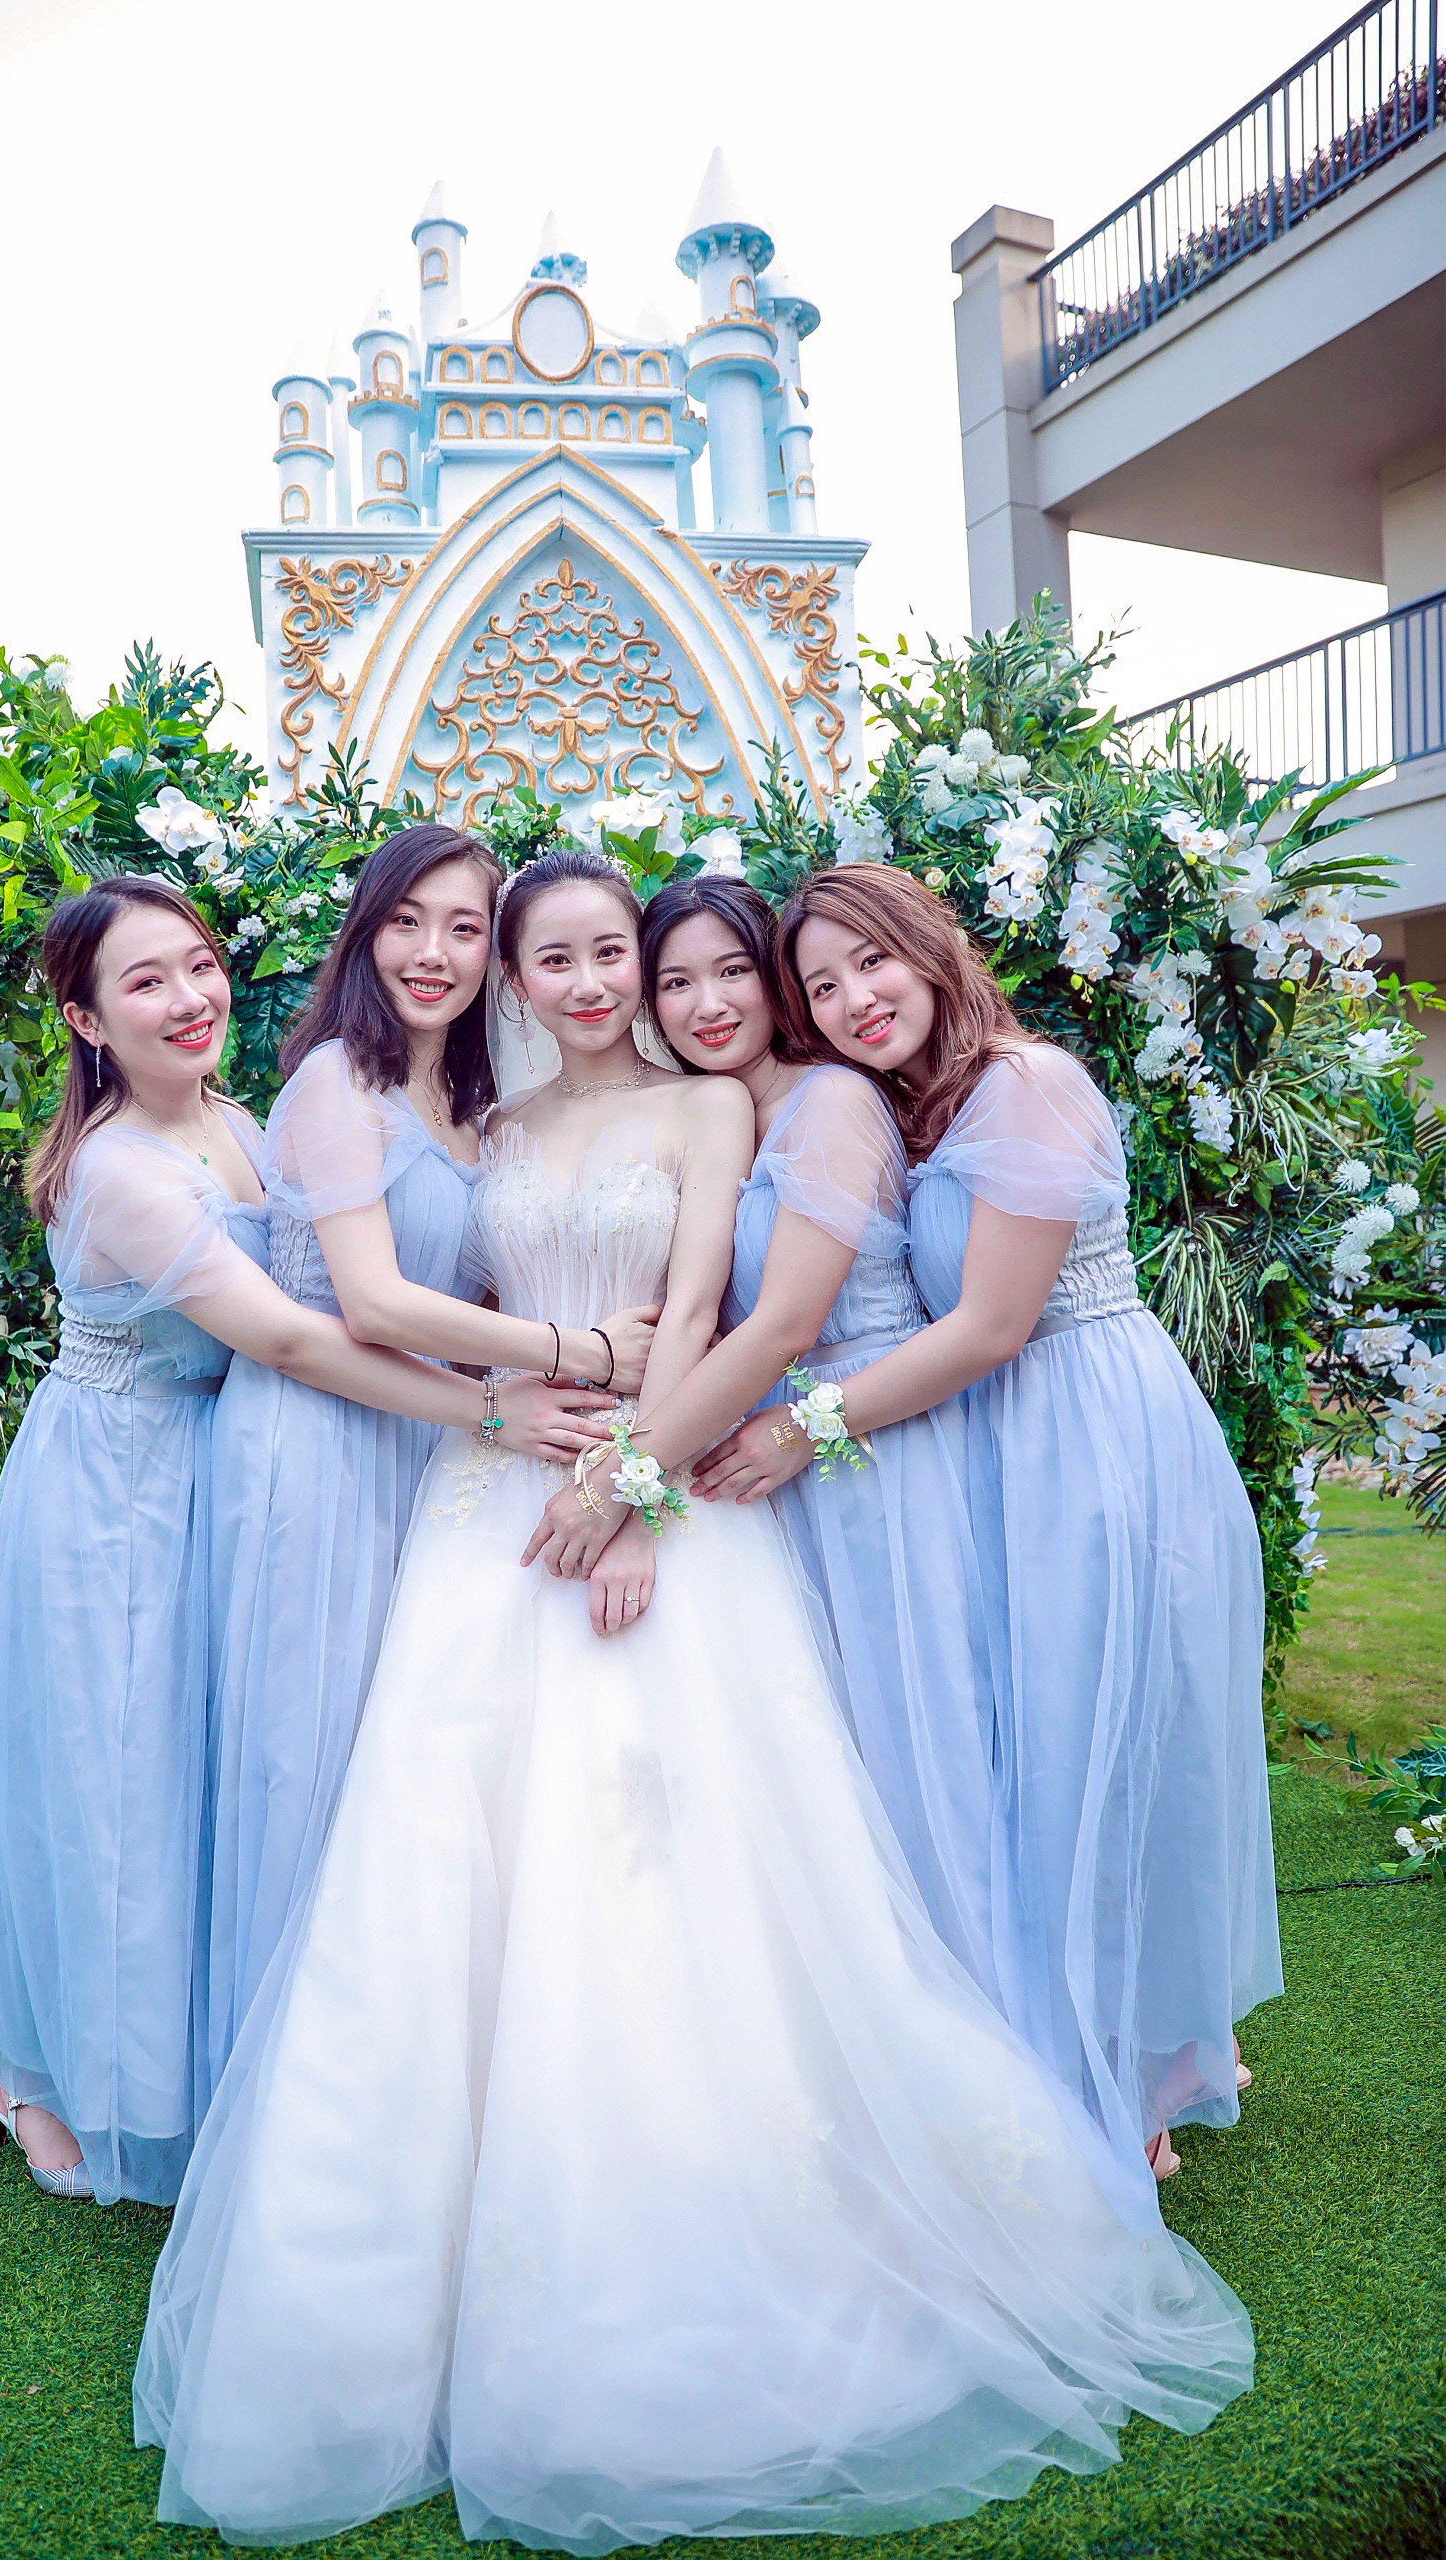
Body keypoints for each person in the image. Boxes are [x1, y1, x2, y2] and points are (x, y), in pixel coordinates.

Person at [133, 848, 1252, 2551]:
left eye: (619, 955)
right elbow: (467, 1309)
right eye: (560, 959)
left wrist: (638, 1499)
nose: (596, 985)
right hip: (487, 1509)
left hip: (649, 1496)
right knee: (434, 1867)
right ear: (517, 981)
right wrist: (529, 1423)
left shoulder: (712, 1108)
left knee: (699, 1870)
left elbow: (713, 1310)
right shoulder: (490, 1129)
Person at [0, 873, 606, 2204]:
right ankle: (50, 2079)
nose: (188, 998)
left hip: (215, 1453)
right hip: (115, 1482)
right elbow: (292, 1334)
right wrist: (502, 1401)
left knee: (196, 1780)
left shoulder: (235, 1119)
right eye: (145, 981)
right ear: (87, 1019)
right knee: (110, 1782)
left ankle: (216, 2062)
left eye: (198, 966)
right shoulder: (118, 1168)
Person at [693, 861, 1280, 2177]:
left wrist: (798, 1427)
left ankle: (1127, 2078)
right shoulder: (913, 1106)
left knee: (1095, 1751)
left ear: (930, 948)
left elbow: (991, 1325)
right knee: (1041, 1752)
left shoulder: (1026, 1084)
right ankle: (1122, 2039)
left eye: (871, 962)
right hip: (995, 1443)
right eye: (820, 986)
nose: (852, 1000)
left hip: (1087, 1433)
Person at [201, 826, 657, 2092]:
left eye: (464, 927)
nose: (433, 952)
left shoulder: (463, 1104)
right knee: (302, 1753)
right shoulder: (334, 1084)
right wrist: (574, 1349)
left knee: (391, 1769)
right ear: (366, 929)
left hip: (429, 1439)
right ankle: (272, 2086)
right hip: (313, 1443)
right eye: (409, 920)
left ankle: (396, 2068)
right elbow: (374, 1301)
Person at [602, 875, 999, 1999]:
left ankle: (992, 2025)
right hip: (773, 1466)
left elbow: (783, 1322)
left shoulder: (829, 1100)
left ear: (773, 984)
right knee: (838, 1774)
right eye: (675, 982)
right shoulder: (723, 1119)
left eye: (732, 971)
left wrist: (627, 1487)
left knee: (919, 1750)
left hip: (869, 1452)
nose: (706, 1004)